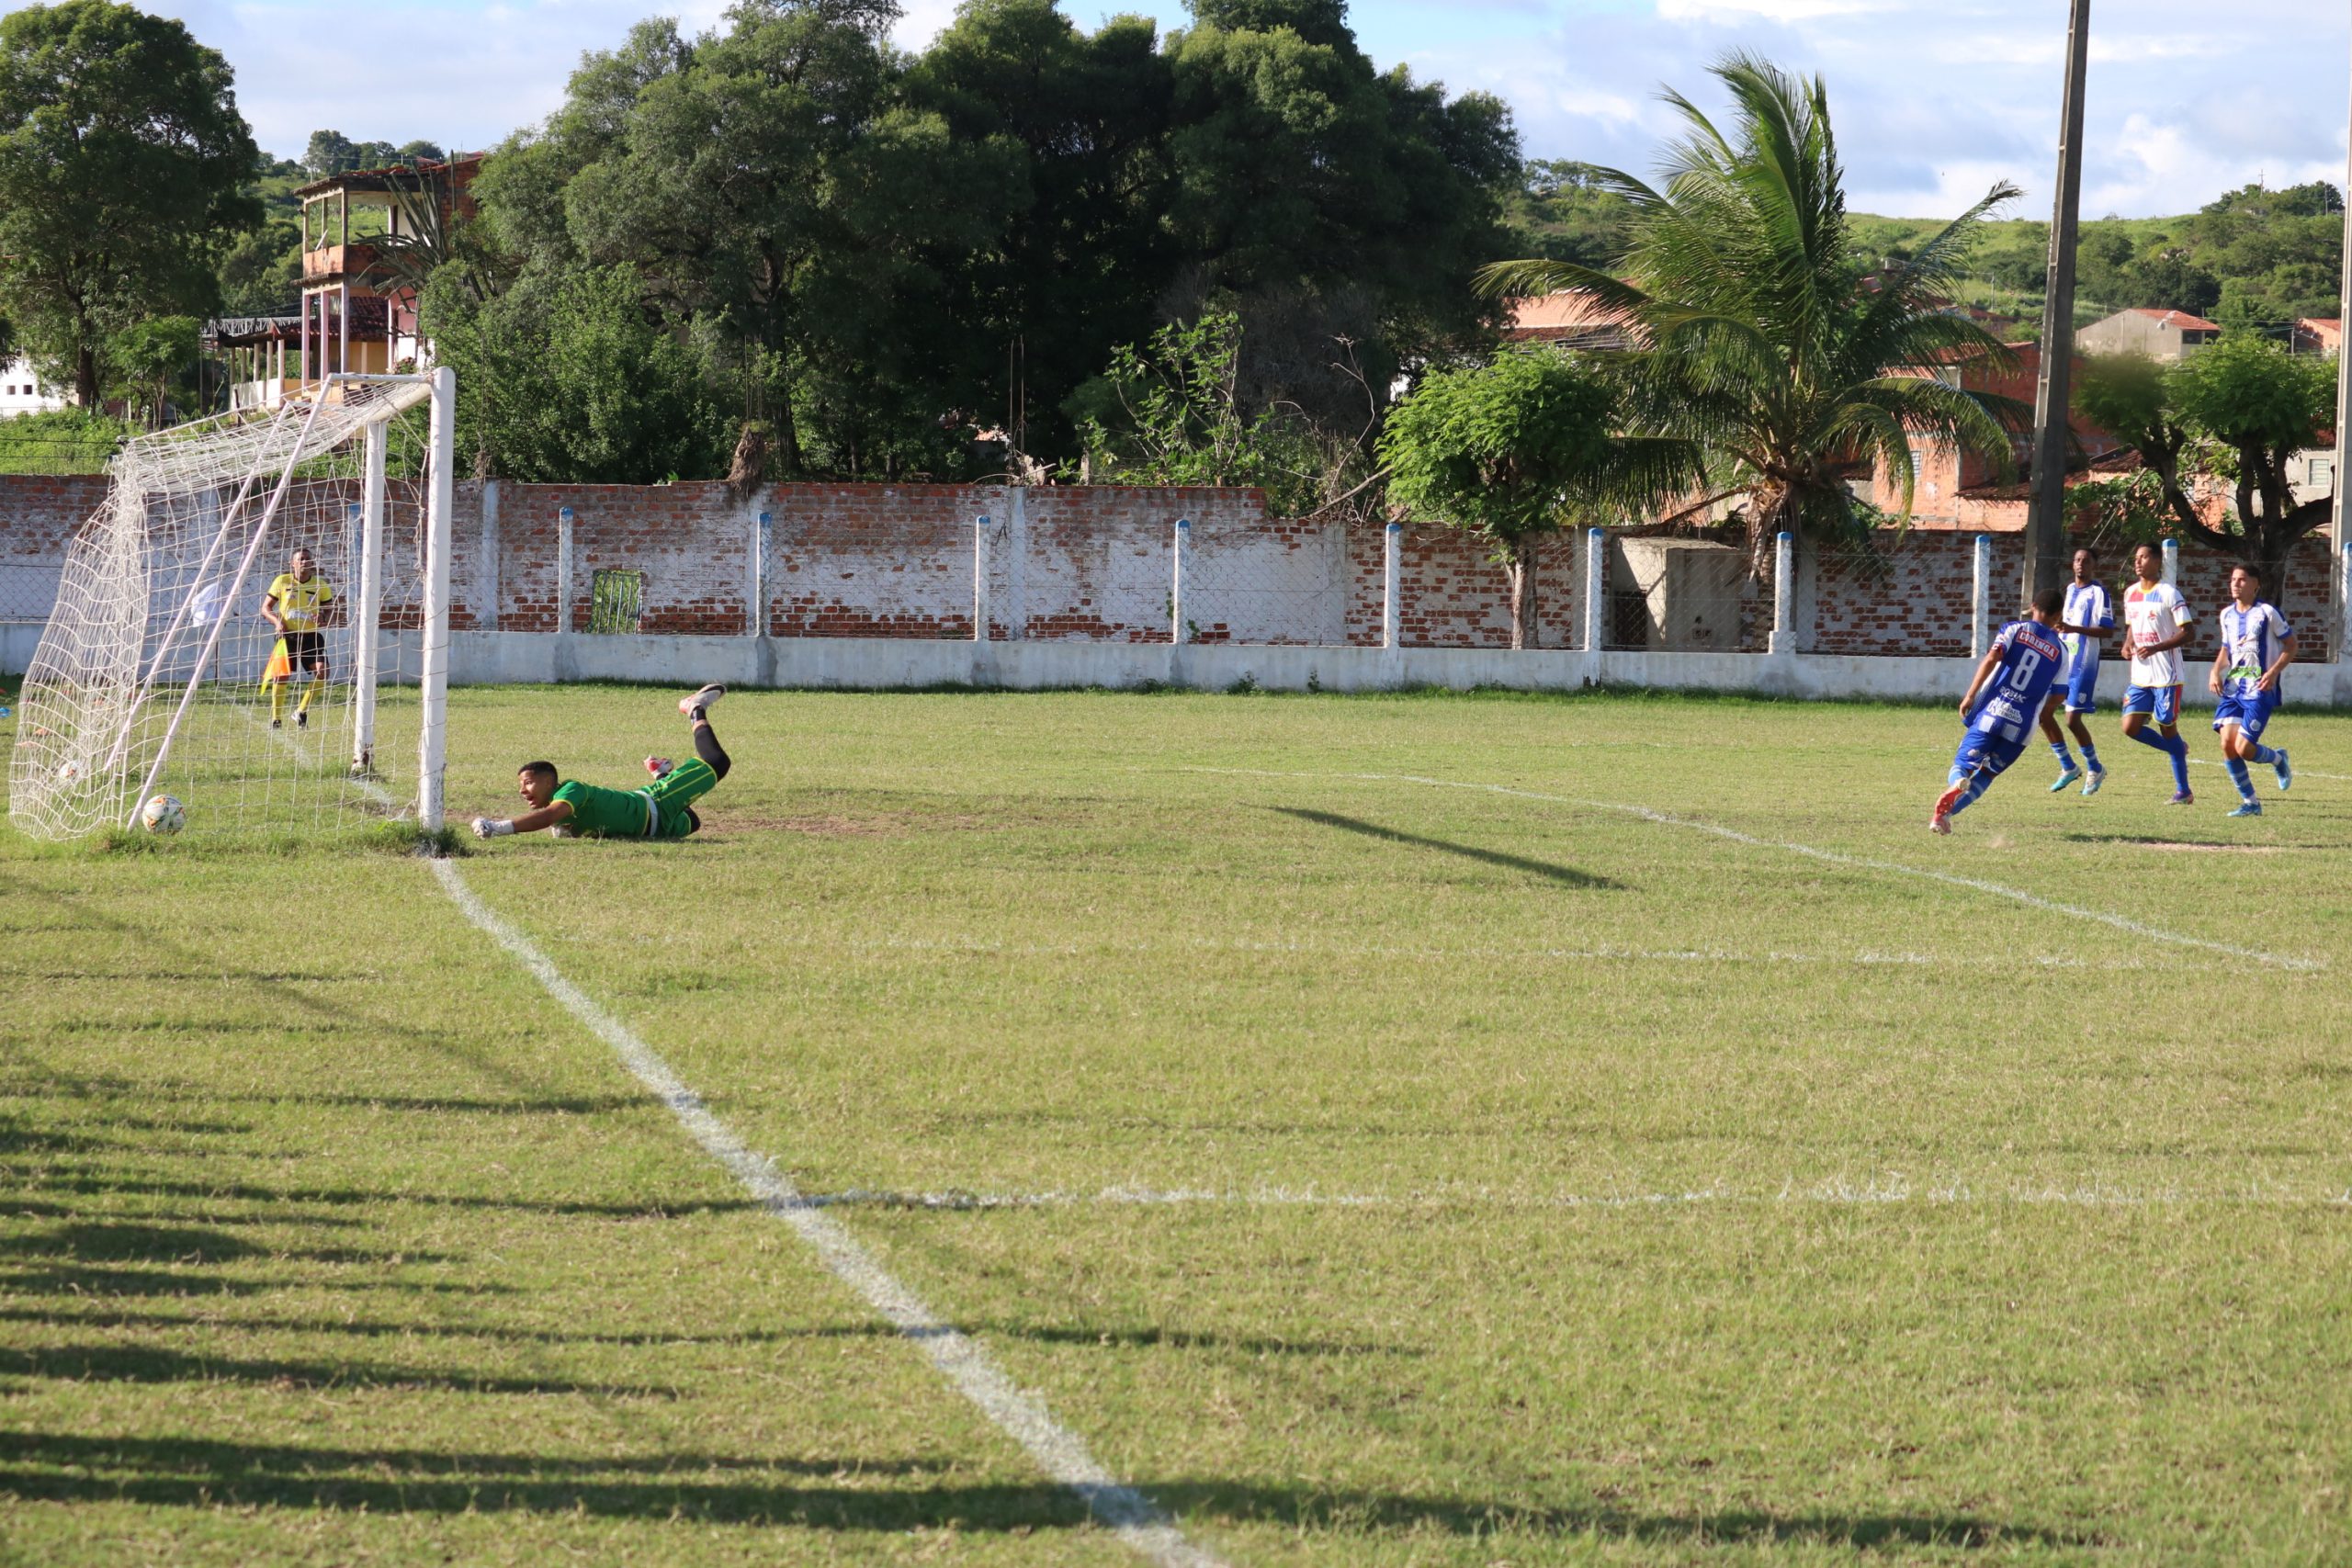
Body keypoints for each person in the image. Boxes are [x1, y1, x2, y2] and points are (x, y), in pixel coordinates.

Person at [471, 685, 730, 841]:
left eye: (528, 783)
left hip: (656, 803)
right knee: (692, 822)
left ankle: (694, 708)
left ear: (550, 781)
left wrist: (498, 827)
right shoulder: (563, 818)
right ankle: (661, 774)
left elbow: (547, 816)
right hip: (654, 830)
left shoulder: (571, 790)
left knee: (717, 762)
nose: (522, 790)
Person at [1932, 588, 2068, 835]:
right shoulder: (2062, 651)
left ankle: (1956, 785)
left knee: (1962, 765)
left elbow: (1992, 658)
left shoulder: (2015, 629)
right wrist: (2040, 705)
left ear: (2033, 605)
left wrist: (1971, 694)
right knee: (1988, 774)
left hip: (1992, 712)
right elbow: (2060, 694)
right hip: (2023, 725)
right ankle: (1945, 817)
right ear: (2058, 615)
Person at [2208, 565, 2295, 818]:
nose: (2235, 584)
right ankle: (2251, 803)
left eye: (2242, 580)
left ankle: (2278, 759)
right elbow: (2227, 650)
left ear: (2255, 584)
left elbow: (2291, 645)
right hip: (2234, 686)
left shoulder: (2267, 613)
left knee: (2245, 748)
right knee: (2227, 744)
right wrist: (2215, 671)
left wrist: (2273, 672)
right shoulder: (2226, 615)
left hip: (2259, 688)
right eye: (2233, 579)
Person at [2118, 542, 2196, 805]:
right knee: (2129, 727)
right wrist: (2128, 643)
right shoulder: (2130, 594)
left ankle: (2183, 790)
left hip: (2166, 676)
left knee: (2166, 727)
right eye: (2136, 557)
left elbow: (2188, 632)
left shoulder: (2169, 594)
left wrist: (2156, 648)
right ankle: (2177, 749)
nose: (2138, 562)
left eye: (2144, 557)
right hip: (2140, 676)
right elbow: (2132, 626)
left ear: (2157, 561)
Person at [2038, 547, 2113, 795]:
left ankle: (2095, 768)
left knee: (2072, 719)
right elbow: (2064, 625)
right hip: (2062, 662)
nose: (2081, 564)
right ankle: (2068, 766)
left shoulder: (2099, 593)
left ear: (2094, 566)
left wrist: (2075, 629)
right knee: (2043, 713)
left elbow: (2107, 631)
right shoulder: (2069, 590)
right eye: (2077, 560)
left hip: (2083, 663)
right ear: (2073, 564)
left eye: (2086, 561)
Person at [260, 547, 336, 729]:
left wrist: (324, 617)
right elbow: (265, 608)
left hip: (311, 636)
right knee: (282, 676)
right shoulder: (282, 581)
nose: (305, 562)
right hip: (287, 637)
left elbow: (329, 609)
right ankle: (276, 718)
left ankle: (301, 711)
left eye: (308, 559)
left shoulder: (320, 585)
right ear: (292, 563)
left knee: (322, 671)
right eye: (300, 559)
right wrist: (277, 622)